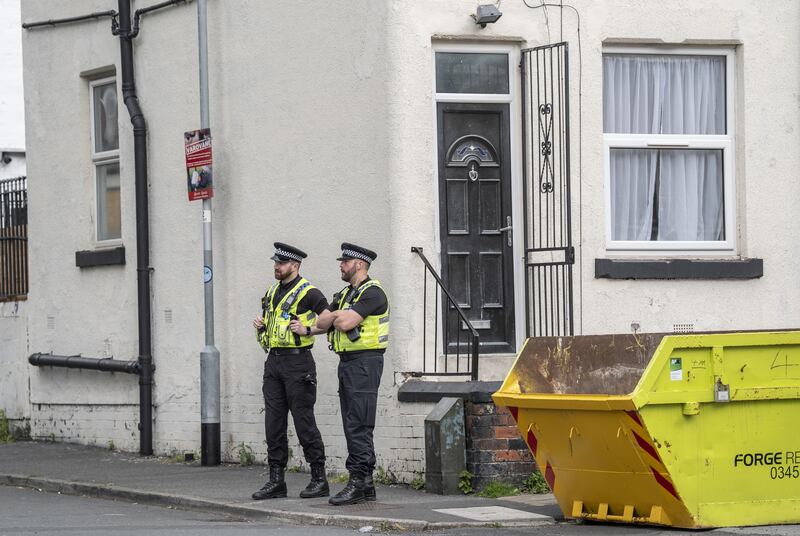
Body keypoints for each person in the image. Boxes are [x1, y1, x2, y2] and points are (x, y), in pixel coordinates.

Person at [252, 242, 331, 500]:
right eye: (276, 263)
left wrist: (308, 329)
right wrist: (261, 329)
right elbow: (271, 332)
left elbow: (330, 320)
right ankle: (277, 481)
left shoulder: (310, 292)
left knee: (303, 421)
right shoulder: (272, 292)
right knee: (273, 423)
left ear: (294, 266)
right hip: (274, 362)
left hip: (299, 364)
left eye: (282, 263)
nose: (277, 267)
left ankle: (319, 479)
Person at [315, 243, 389, 506]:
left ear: (359, 264)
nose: (341, 265)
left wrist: (336, 315)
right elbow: (321, 323)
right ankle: (366, 485)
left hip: (365, 363)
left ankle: (358, 481)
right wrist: (336, 314)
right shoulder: (346, 295)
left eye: (345, 261)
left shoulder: (374, 293)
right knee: (351, 423)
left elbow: (344, 323)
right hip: (347, 363)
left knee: (359, 423)